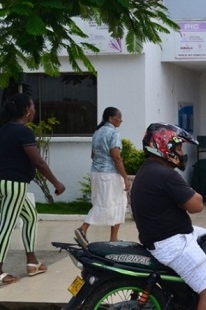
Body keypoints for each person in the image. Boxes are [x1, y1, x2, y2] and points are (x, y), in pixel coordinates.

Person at [131, 123, 206, 310]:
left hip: (161, 238)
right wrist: (191, 196)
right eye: (178, 147)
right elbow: (197, 205)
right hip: (172, 243)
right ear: (164, 147)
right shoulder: (165, 175)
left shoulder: (148, 170)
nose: (181, 153)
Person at [0, 93, 66, 285]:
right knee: (6, 225)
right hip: (14, 184)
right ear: (27, 110)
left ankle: (32, 261)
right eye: (33, 107)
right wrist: (56, 183)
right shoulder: (23, 132)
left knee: (30, 217)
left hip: (4, 182)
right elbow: (37, 161)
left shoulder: (3, 130)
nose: (35, 110)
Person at [75, 107, 129, 246]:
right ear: (111, 118)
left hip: (96, 173)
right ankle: (84, 228)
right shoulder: (113, 134)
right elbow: (116, 157)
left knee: (103, 202)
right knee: (115, 203)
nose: (121, 120)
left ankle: (113, 238)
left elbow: (92, 155)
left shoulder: (97, 132)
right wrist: (125, 177)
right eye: (119, 117)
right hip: (110, 174)